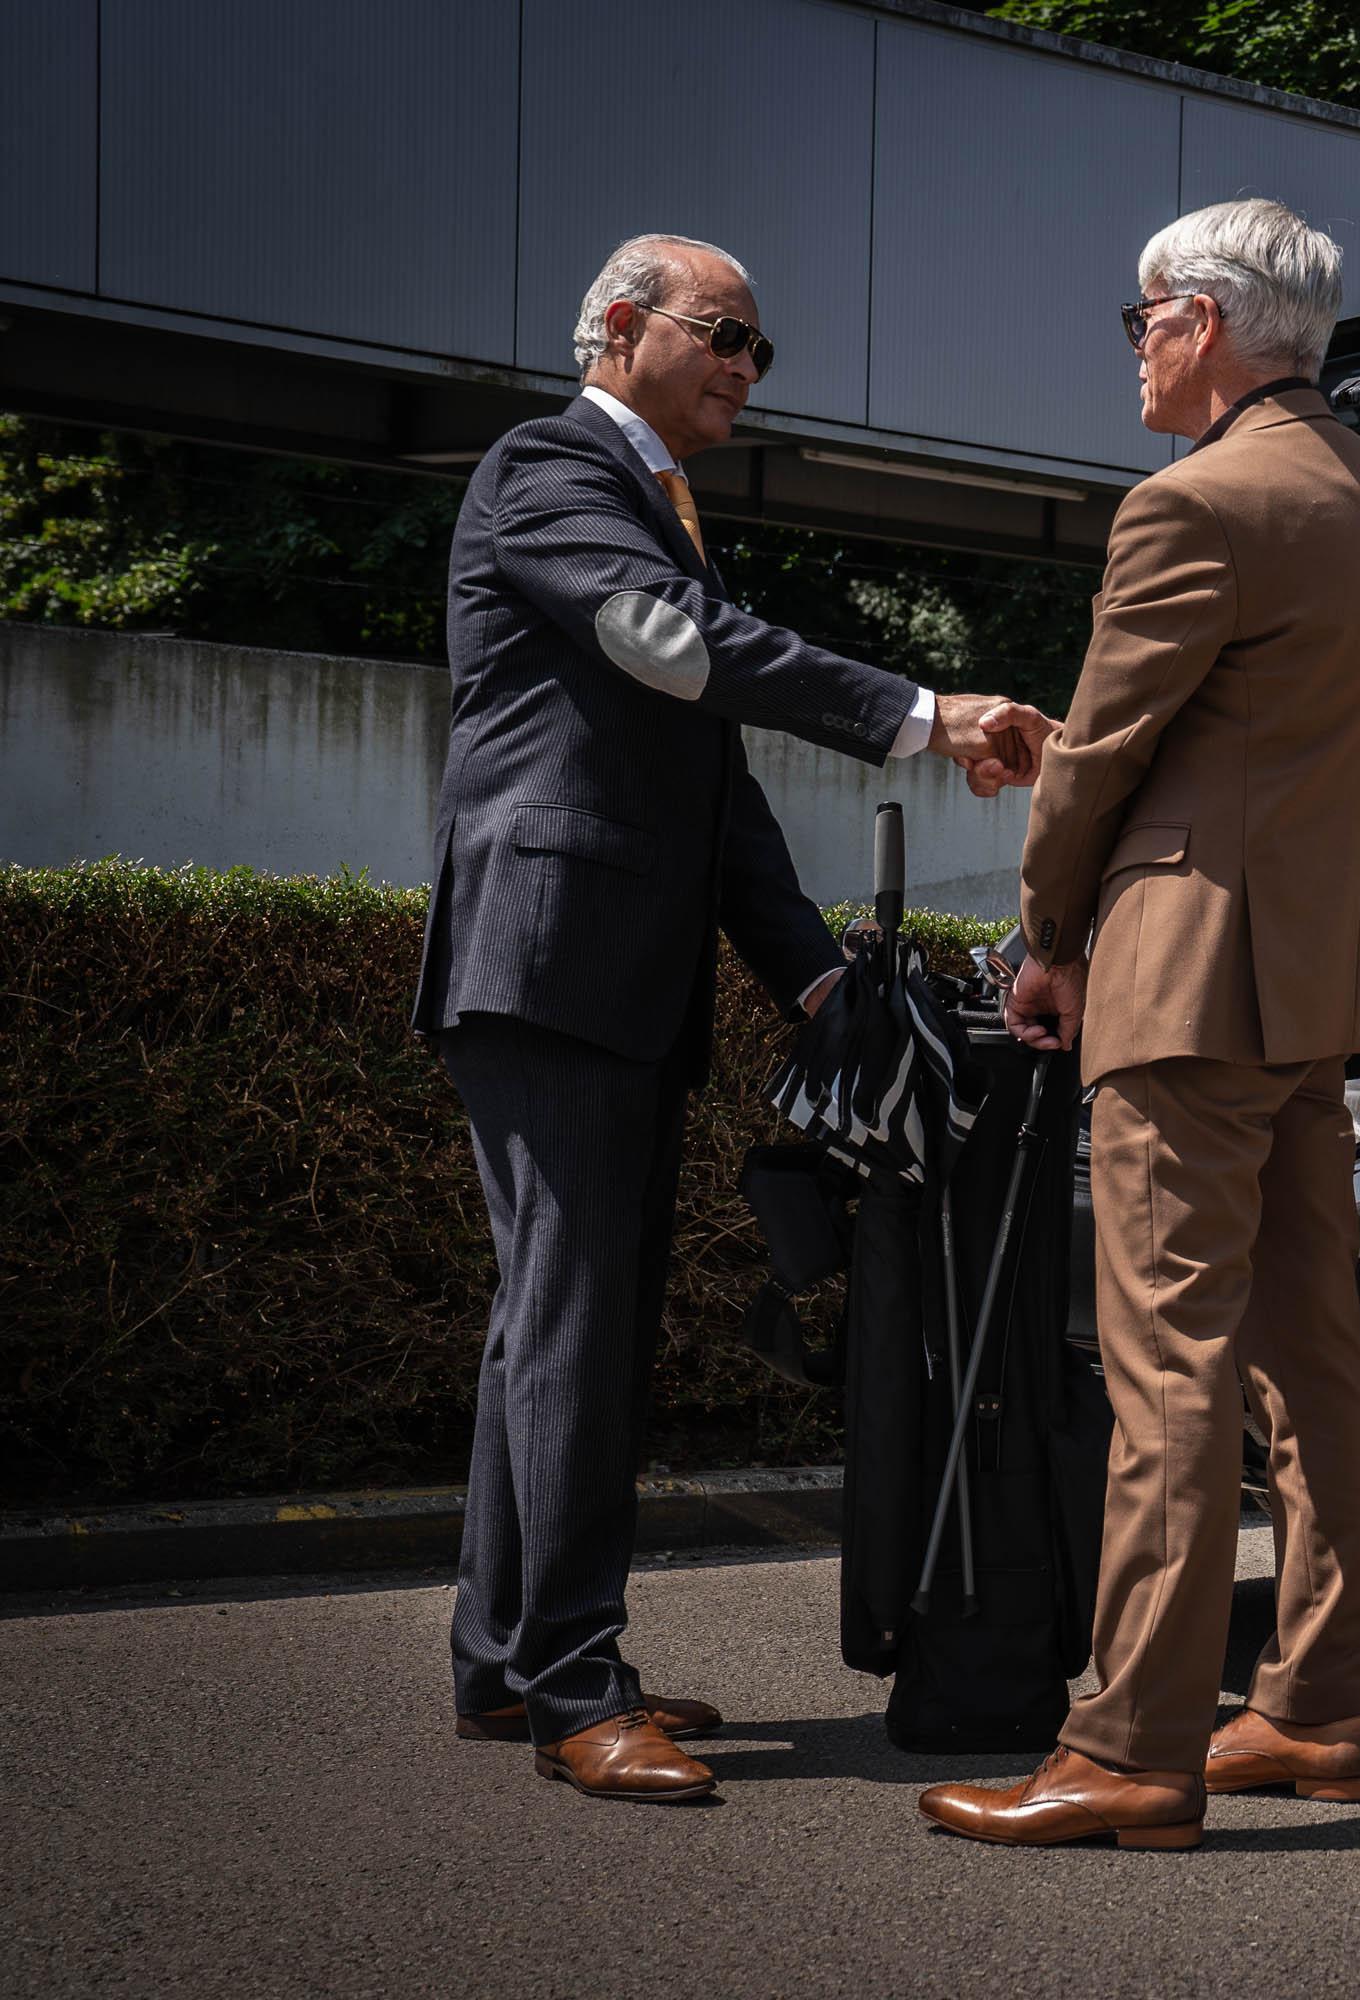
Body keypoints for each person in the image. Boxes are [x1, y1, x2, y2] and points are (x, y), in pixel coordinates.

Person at [412, 231, 1052, 1805]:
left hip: (600, 978)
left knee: (557, 1323)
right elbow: (672, 648)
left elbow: (712, 788)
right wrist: (927, 715)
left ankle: (509, 1665)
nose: (749, 371)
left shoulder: (659, 512)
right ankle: (575, 1687)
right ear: (621, 327)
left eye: (762, 349)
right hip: (550, 965)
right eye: (725, 335)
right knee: (574, 1328)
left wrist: (820, 981)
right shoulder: (550, 468)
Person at [918, 199, 1360, 1849]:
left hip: (1184, 979)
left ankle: (1133, 1747)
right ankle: (1318, 1708)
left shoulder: (1191, 503)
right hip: (1313, 986)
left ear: (1202, 320)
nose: (1134, 346)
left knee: (1170, 1366)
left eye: (1140, 317)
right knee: (1314, 1360)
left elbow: (1108, 762)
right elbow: (1250, 742)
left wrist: (1045, 938)